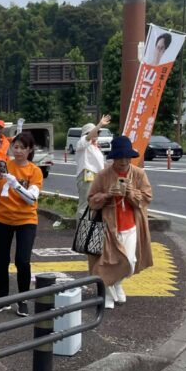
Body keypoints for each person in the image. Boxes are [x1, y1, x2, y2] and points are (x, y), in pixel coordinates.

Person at [87, 136, 154, 310]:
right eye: (119, 157)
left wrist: (132, 193)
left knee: (129, 262)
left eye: (127, 157)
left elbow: (147, 198)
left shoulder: (139, 174)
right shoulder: (103, 175)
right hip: (107, 227)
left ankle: (116, 284)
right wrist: (108, 194)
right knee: (107, 262)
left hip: (131, 226)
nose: (123, 161)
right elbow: (91, 200)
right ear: (114, 157)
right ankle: (108, 294)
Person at [0, 131, 42, 317]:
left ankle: (23, 299)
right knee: (1, 261)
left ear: (30, 150)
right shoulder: (3, 166)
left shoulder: (34, 171)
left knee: (22, 261)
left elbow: (31, 199)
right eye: (15, 147)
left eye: (22, 148)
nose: (18, 151)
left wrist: (15, 183)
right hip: (3, 219)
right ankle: (3, 299)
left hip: (26, 220)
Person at [74, 114, 110, 218]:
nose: (97, 134)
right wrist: (99, 125)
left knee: (95, 205)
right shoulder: (83, 142)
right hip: (87, 175)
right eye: (95, 132)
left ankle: (90, 232)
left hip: (98, 177)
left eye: (98, 132)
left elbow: (101, 164)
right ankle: (82, 232)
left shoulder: (96, 148)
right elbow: (88, 137)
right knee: (85, 205)